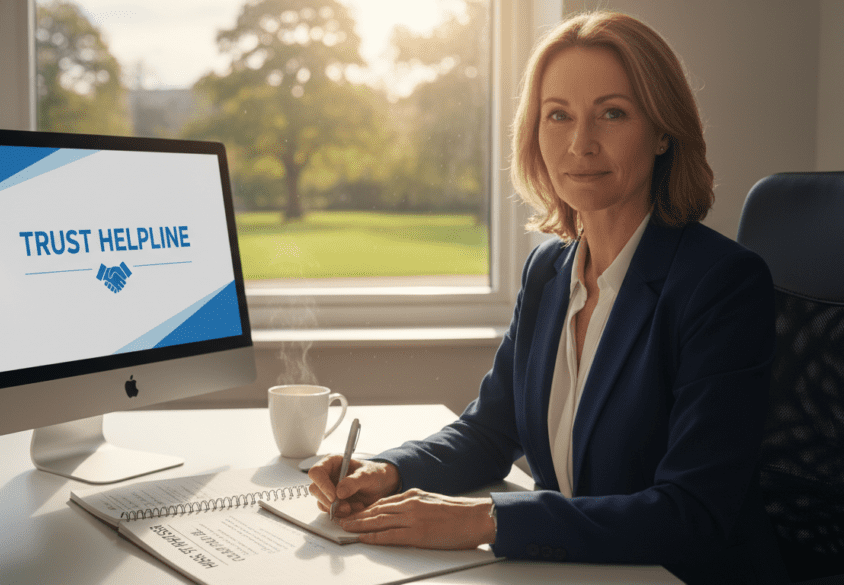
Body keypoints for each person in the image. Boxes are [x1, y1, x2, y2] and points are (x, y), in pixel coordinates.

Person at [309, 11, 783, 585]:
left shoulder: (722, 285)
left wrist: (485, 519)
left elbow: (690, 515)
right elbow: (489, 432)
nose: (580, 143)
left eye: (612, 113)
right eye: (558, 115)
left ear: (662, 131)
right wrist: (386, 470)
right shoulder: (548, 271)